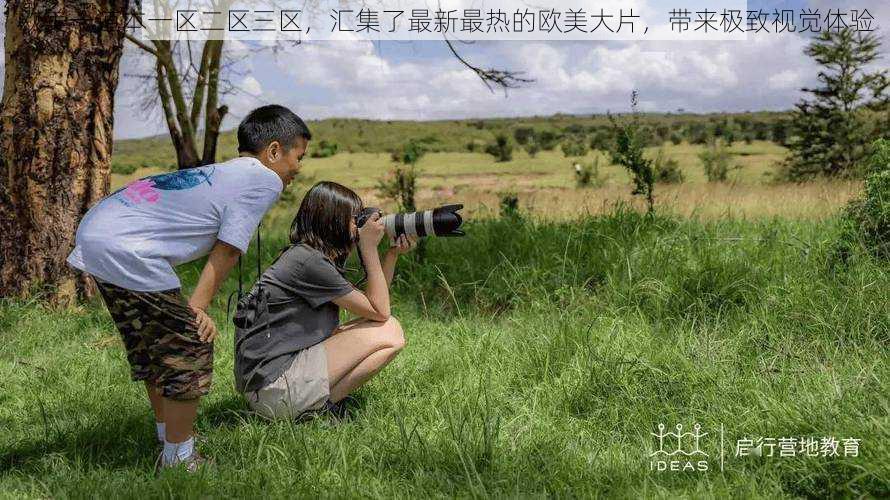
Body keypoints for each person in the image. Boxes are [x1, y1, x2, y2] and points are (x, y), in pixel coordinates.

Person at [66, 105, 310, 471]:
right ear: (273, 151)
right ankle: (180, 460)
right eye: (298, 157)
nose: (297, 168)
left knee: (154, 347)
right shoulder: (263, 178)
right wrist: (197, 308)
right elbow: (228, 248)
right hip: (126, 245)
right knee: (189, 343)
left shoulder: (227, 174)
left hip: (99, 233)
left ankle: (170, 440)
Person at [234, 181, 413, 421]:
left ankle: (320, 406)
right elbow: (380, 311)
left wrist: (390, 254)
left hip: (266, 386)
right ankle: (319, 408)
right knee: (390, 331)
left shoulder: (306, 256)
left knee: (377, 325)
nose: (358, 226)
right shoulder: (309, 263)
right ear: (332, 221)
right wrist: (369, 249)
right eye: (354, 219)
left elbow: (371, 304)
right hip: (274, 390)